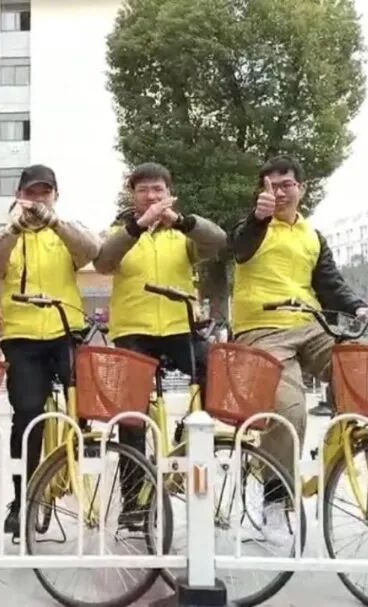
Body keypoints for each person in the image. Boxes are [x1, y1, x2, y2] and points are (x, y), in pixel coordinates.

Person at [230, 155, 368, 536]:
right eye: (270, 186)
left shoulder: (312, 235)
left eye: (286, 185)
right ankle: (275, 499)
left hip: (310, 325)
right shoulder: (253, 227)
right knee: (290, 412)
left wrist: (359, 307)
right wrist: (258, 217)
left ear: (301, 188)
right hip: (262, 330)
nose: (279, 192)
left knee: (367, 364)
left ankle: (346, 444)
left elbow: (330, 283)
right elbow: (240, 248)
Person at [93, 162, 226, 524]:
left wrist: (181, 222)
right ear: (132, 195)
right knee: (132, 417)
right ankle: (134, 504)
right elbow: (103, 261)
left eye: (158, 190)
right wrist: (138, 226)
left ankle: (187, 439)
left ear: (170, 193)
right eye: (143, 190)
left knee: (215, 370)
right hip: (133, 332)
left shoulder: (183, 235)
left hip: (179, 328)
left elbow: (218, 241)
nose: (151, 196)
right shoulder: (118, 232)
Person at [0, 164, 101, 537]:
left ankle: (76, 474)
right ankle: (22, 500)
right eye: (31, 193)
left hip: (66, 330)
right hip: (22, 337)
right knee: (27, 416)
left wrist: (55, 222)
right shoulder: (6, 233)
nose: (37, 200)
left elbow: (91, 251)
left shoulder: (66, 230)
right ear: (19, 196)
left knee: (83, 408)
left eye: (44, 193)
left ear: (55, 196)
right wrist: (14, 228)